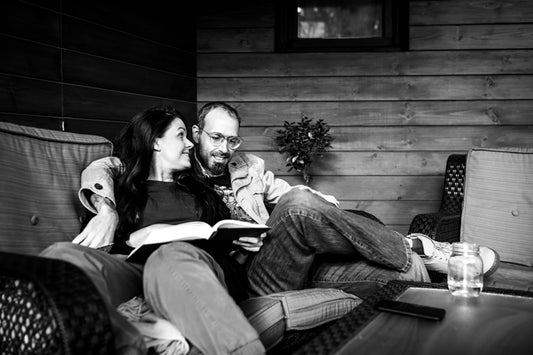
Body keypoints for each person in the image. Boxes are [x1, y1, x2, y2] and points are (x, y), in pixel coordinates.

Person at [77, 102, 500, 301]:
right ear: (194, 133)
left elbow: (295, 200)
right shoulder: (147, 175)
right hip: (249, 275)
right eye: (213, 138)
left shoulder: (237, 172)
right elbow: (106, 168)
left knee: (402, 272)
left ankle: (426, 259)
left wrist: (320, 206)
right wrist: (108, 209)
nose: (223, 148)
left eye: (232, 139)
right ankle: (421, 246)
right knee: (301, 203)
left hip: (283, 255)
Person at [41, 107, 266, 355]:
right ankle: (129, 337)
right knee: (63, 255)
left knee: (168, 256)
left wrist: (242, 250)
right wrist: (121, 227)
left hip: (184, 271)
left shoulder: (204, 195)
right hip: (134, 271)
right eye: (181, 135)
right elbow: (103, 243)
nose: (190, 144)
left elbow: (229, 267)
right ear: (156, 141)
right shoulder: (122, 192)